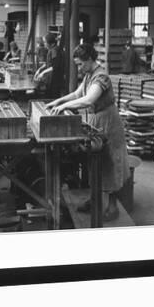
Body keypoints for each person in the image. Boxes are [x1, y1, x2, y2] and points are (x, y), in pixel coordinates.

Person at [46, 43, 130, 221]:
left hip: (108, 123)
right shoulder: (89, 74)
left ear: (90, 59)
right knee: (95, 164)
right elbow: (78, 94)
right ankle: (94, 200)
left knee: (110, 163)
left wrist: (64, 106)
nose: (78, 67)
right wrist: (58, 101)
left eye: (80, 64)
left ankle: (112, 207)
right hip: (96, 121)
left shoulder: (102, 77)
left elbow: (89, 99)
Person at [33, 33, 64, 98]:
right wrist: (39, 70)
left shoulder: (55, 50)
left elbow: (55, 66)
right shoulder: (51, 50)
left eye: (45, 42)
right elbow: (48, 63)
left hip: (55, 78)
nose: (44, 44)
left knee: (53, 96)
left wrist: (43, 73)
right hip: (50, 78)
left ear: (52, 44)